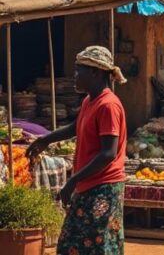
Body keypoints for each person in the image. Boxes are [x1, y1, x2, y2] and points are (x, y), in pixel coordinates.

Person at [28, 46, 128, 255]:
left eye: (78, 70)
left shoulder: (108, 105)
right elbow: (75, 127)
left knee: (99, 247)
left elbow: (108, 153)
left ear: (95, 72)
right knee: (71, 245)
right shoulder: (89, 101)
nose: (75, 76)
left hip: (103, 187)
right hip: (87, 185)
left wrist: (73, 180)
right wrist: (46, 139)